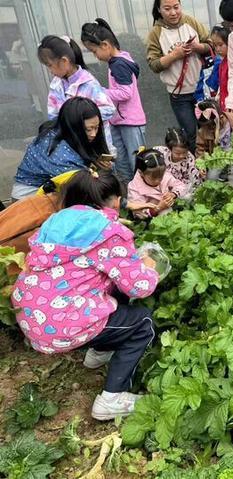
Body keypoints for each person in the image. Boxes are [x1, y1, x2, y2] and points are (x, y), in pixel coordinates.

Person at [11, 169, 160, 420]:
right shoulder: (109, 232)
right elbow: (138, 287)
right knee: (143, 322)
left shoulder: (56, 221)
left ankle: (98, 353)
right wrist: (150, 269)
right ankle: (113, 398)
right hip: (62, 324)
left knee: (110, 285)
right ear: (114, 200)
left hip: (32, 315)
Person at [81, 19, 146, 183]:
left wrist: (100, 92)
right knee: (121, 160)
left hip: (130, 121)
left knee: (136, 161)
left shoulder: (119, 64)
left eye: (94, 51)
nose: (95, 56)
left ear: (105, 45)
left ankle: (142, 194)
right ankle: (127, 194)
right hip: (119, 120)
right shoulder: (117, 62)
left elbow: (126, 93)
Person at [12, 97, 110, 201]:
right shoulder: (57, 153)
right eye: (88, 129)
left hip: (51, 192)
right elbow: (86, 188)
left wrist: (97, 164)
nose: (94, 134)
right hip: (28, 201)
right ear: (73, 127)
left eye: (97, 127)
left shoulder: (63, 133)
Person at [147, 0, 211, 152]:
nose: (173, 12)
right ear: (159, 9)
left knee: (209, 131)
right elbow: (154, 64)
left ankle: (213, 167)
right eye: (167, 8)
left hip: (202, 90)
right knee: (190, 134)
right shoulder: (156, 33)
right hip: (179, 96)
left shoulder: (191, 22)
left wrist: (198, 47)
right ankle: (195, 169)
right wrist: (174, 55)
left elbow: (212, 45)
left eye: (176, 7)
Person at [38, 35, 115, 149]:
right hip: (71, 146)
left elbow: (109, 109)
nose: (50, 71)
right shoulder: (56, 84)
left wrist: (80, 119)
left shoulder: (88, 83)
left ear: (64, 61)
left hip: (95, 145)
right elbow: (53, 115)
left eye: (50, 65)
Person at [128, 148, 189, 218]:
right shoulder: (134, 188)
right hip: (152, 215)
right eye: (153, 178)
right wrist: (158, 208)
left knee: (186, 196)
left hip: (168, 206)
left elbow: (181, 186)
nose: (158, 180)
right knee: (165, 213)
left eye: (161, 176)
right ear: (141, 173)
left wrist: (173, 194)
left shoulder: (164, 173)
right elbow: (139, 214)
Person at [155, 127, 205, 194]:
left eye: (184, 152)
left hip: (180, 189)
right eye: (177, 153)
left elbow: (195, 179)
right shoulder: (160, 152)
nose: (181, 156)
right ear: (169, 149)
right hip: (161, 185)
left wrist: (201, 176)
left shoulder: (189, 160)